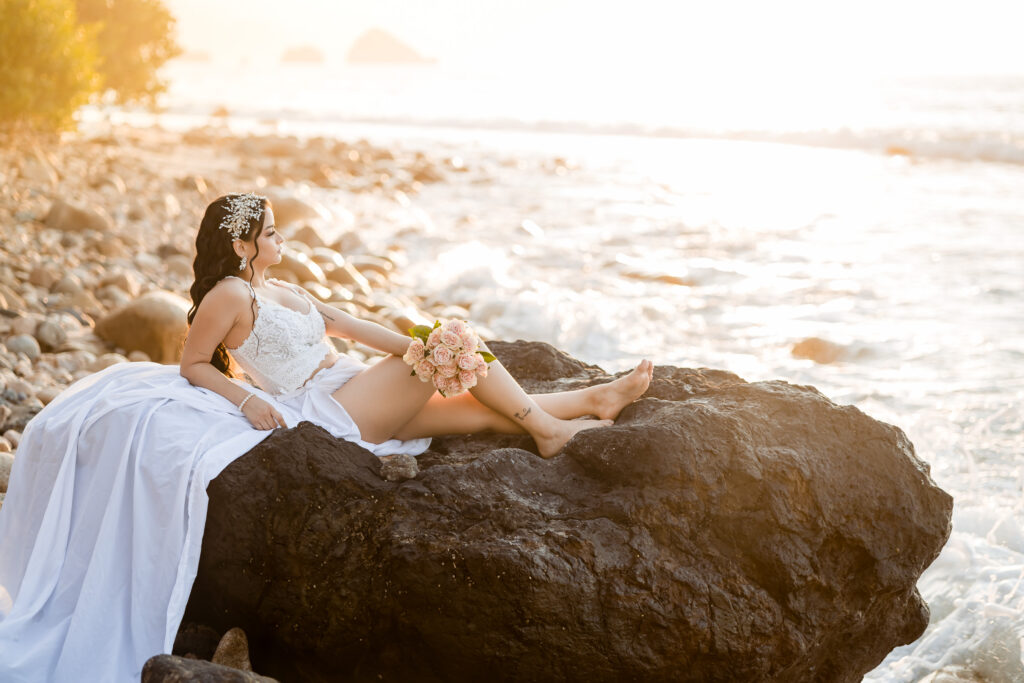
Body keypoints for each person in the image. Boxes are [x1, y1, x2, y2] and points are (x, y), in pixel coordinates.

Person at [0, 193, 653, 682]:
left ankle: (592, 399)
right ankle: (546, 429)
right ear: (242, 243)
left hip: (348, 380)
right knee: (458, 344)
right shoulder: (227, 296)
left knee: (473, 400)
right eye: (272, 231)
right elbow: (191, 366)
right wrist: (248, 396)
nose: (282, 236)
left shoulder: (277, 285)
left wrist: (424, 348)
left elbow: (353, 325)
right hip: (327, 408)